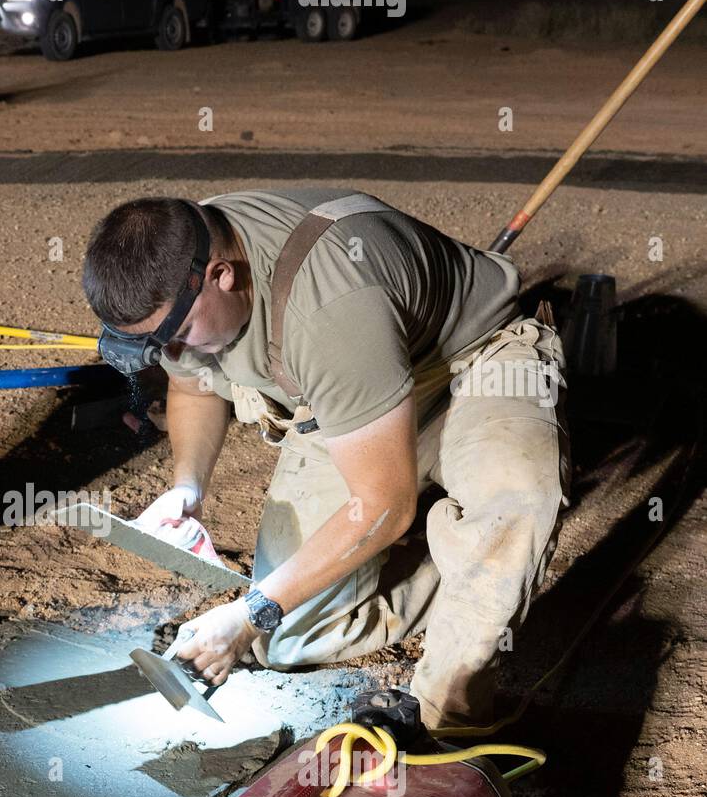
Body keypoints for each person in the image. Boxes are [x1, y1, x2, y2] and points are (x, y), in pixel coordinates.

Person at [82, 189, 569, 730]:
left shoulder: (329, 304)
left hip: (472, 364)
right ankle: (450, 565)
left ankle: (444, 726)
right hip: (351, 397)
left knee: (512, 506)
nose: (172, 353)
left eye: (175, 336)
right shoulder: (179, 253)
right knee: (288, 638)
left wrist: (249, 613)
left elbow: (383, 505)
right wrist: (186, 488)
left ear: (222, 275)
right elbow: (194, 386)